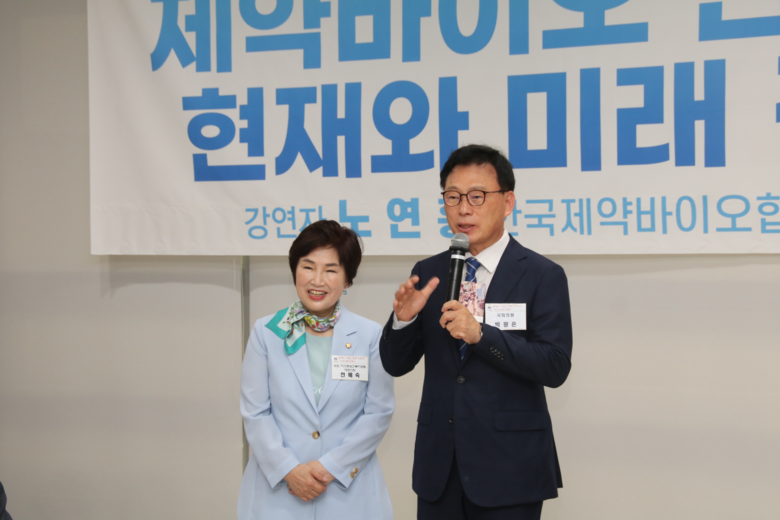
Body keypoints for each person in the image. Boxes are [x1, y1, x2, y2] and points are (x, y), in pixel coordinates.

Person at [379, 144, 573, 520]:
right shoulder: (430, 271)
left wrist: (481, 335)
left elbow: (554, 365)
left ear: (508, 201)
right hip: (440, 467)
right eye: (453, 197)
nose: (463, 209)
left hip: (511, 467)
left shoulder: (542, 275)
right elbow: (395, 364)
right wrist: (402, 321)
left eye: (477, 196)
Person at [238, 220, 395, 520]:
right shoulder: (267, 332)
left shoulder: (370, 335)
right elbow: (255, 413)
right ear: (294, 270)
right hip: (279, 493)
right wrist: (289, 470)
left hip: (349, 492)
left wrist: (328, 468)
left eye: (331, 270)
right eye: (308, 267)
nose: (317, 280)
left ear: (348, 280)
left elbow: (378, 412)